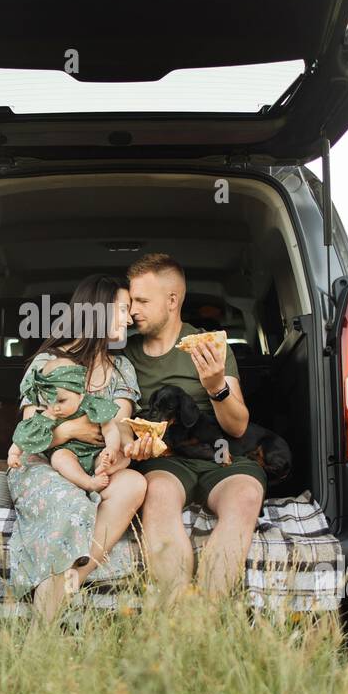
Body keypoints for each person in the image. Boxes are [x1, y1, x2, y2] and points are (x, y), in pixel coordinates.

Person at [120, 253, 266, 603]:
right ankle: (177, 609)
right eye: (130, 300)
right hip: (166, 459)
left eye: (141, 301)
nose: (131, 310)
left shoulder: (210, 347)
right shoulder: (124, 353)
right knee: (158, 495)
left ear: (172, 301)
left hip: (220, 454)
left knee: (245, 497)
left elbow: (237, 425)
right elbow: (118, 416)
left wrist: (216, 385)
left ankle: (207, 613)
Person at [6, 274, 147, 621]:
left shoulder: (122, 370)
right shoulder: (46, 365)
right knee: (69, 500)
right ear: (98, 311)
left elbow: (123, 432)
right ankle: (44, 631)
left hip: (94, 466)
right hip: (44, 463)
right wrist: (71, 429)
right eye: (124, 309)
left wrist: (121, 453)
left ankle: (74, 578)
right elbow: (30, 437)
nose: (129, 319)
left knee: (135, 484)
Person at [6, 357, 129, 493]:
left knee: (123, 457)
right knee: (59, 458)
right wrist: (13, 454)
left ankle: (103, 467)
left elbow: (110, 429)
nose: (55, 407)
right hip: (69, 454)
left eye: (61, 401)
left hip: (96, 452)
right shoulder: (48, 415)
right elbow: (25, 437)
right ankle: (88, 482)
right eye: (49, 401)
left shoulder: (93, 405)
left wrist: (111, 448)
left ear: (80, 395)